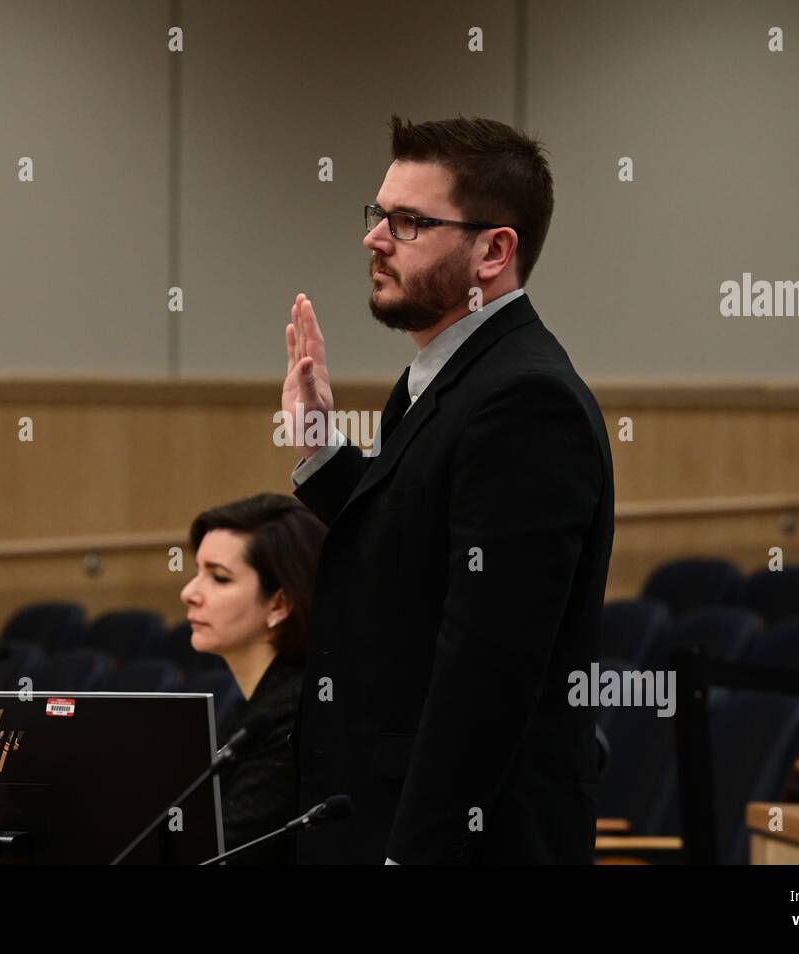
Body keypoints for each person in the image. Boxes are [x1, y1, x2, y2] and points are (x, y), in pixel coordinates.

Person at [281, 115, 614, 864]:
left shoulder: (526, 398)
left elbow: (489, 665)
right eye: (379, 215)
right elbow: (415, 557)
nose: (374, 239)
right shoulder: (450, 378)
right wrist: (322, 448)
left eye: (407, 222)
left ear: (493, 250)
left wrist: (417, 853)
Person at [180, 493, 326, 864]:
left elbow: (217, 853)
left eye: (218, 578)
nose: (189, 593)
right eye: (196, 571)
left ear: (278, 604)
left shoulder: (292, 715)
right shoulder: (254, 707)